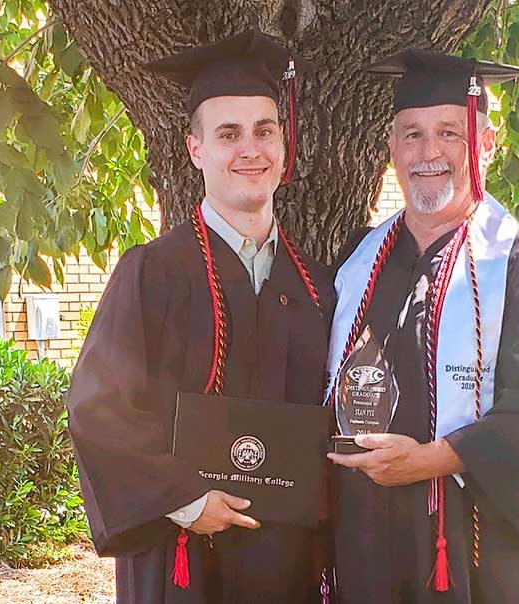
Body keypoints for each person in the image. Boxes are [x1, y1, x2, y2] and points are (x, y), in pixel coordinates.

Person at [67, 29, 333, 604]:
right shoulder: (152, 273)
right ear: (196, 150)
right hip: (180, 554)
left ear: (283, 147)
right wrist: (184, 498)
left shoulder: (318, 286)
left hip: (290, 565)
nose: (250, 150)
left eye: (264, 131)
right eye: (228, 134)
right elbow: (97, 406)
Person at [326, 50, 519, 604]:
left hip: (471, 546)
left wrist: (427, 462)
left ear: (486, 145)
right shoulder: (357, 264)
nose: (429, 153)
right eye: (412, 135)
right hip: (367, 540)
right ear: (392, 150)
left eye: (450, 133)